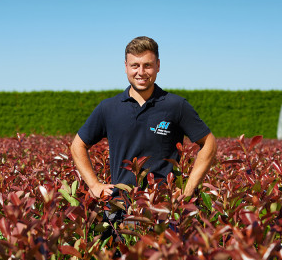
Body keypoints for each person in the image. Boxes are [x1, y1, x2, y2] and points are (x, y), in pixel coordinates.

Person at [70, 36, 217, 201]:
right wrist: (94, 185)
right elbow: (78, 146)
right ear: (125, 67)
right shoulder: (108, 108)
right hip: (120, 208)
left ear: (158, 66)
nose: (141, 72)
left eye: (147, 65)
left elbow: (208, 143)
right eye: (135, 65)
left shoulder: (176, 105)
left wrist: (188, 188)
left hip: (163, 208)